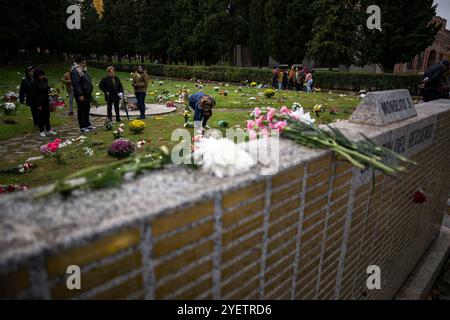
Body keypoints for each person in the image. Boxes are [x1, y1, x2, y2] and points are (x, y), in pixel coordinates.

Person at [29, 69, 57, 137]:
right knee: (40, 116)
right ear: (37, 76)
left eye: (43, 75)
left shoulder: (44, 80)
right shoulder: (34, 83)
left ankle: (48, 129)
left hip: (46, 101)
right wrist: (38, 105)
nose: (42, 76)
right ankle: (41, 130)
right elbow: (34, 95)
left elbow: (48, 88)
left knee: (47, 116)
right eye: (40, 75)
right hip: (39, 102)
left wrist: (52, 92)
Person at [71, 57, 95, 133]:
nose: (85, 64)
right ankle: (82, 126)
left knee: (87, 109)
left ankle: (87, 124)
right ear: (78, 63)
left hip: (87, 93)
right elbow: (76, 84)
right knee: (81, 110)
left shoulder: (83, 71)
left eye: (85, 62)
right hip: (81, 94)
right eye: (83, 63)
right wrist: (80, 94)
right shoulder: (75, 71)